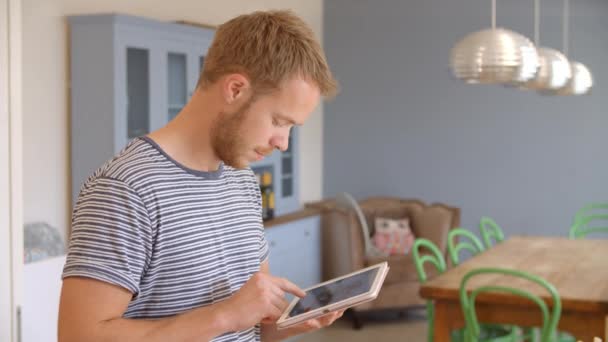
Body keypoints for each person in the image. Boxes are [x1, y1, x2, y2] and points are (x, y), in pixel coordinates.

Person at [58, 9, 340, 342]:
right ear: (235, 89)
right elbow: (78, 336)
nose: (283, 142)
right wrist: (223, 315)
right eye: (279, 121)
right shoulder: (126, 189)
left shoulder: (242, 180)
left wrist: (288, 323)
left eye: (292, 127)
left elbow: (247, 324)